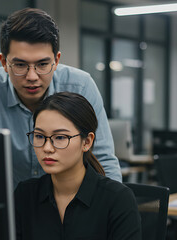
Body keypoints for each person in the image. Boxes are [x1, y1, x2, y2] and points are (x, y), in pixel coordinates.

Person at [0, 7, 121, 187]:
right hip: (12, 206)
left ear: (56, 61)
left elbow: (102, 159)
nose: (32, 76)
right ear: (4, 63)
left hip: (73, 206)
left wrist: (112, 208)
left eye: (42, 64)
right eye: (20, 65)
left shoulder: (81, 86)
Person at [14, 92, 141, 240]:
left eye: (60, 137)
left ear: (87, 142)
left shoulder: (117, 199)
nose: (47, 148)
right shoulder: (25, 194)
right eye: (40, 136)